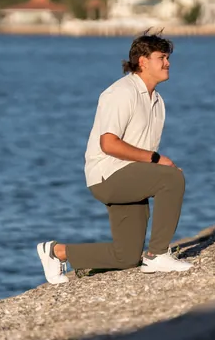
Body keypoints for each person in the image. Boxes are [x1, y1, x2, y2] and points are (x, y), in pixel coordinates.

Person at [36, 29, 192, 284]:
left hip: (131, 175)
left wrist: (154, 166)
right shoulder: (122, 93)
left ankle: (56, 252)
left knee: (127, 256)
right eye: (162, 57)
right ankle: (158, 255)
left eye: (167, 57)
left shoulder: (157, 101)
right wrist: (156, 160)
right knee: (171, 179)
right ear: (143, 61)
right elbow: (108, 144)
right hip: (107, 175)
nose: (168, 63)